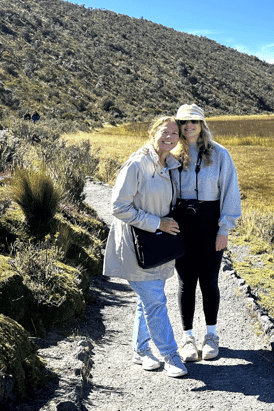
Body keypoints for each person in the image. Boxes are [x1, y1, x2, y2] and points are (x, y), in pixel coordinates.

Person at [103, 116, 188, 378]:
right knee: (156, 301)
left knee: (147, 301)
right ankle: (171, 354)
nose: (170, 137)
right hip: (134, 246)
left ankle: (140, 350)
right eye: (165, 131)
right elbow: (118, 207)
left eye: (175, 133)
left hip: (156, 248)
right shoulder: (137, 164)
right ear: (153, 132)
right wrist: (157, 223)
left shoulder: (171, 165)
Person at [173, 104, 241, 362]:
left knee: (209, 281)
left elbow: (230, 193)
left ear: (202, 124)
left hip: (210, 223)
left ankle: (211, 335)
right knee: (185, 282)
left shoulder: (220, 154)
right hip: (181, 225)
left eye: (194, 122)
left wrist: (224, 229)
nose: (188, 127)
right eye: (183, 122)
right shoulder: (173, 154)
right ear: (178, 125)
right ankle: (187, 338)